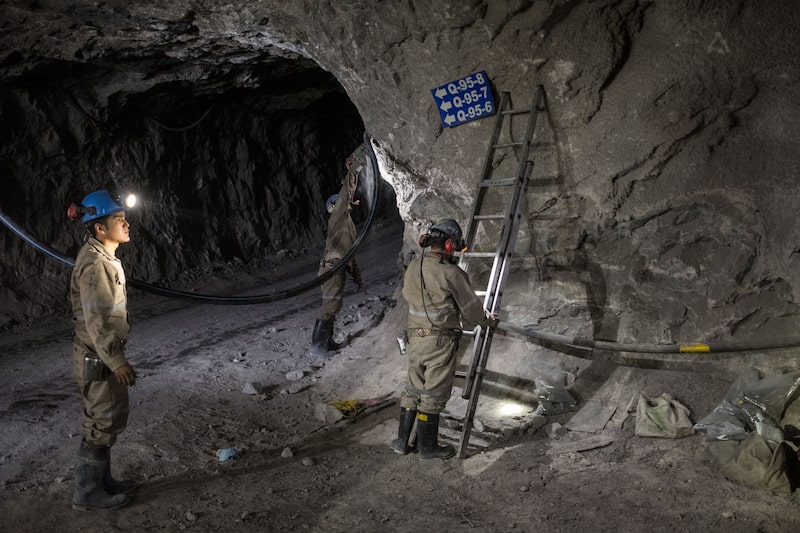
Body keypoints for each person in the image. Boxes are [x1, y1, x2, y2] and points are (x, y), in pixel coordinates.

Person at [392, 219, 499, 459]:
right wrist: (489, 320)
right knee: (432, 394)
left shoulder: (413, 266)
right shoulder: (451, 273)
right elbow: (472, 311)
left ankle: (401, 442)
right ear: (450, 245)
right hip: (438, 342)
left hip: (413, 339)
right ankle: (428, 448)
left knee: (412, 389)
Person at [69, 188, 138, 511]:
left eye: (125, 219)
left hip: (96, 356)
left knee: (103, 418)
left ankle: (102, 482)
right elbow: (97, 323)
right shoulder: (96, 265)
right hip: (97, 357)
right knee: (102, 421)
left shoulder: (102, 257)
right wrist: (117, 361)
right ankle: (87, 494)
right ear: (99, 227)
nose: (126, 225)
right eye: (118, 219)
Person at [309, 146, 367, 357]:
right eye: (344, 203)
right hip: (333, 268)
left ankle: (327, 342)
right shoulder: (337, 217)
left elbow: (350, 255)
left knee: (334, 304)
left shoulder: (346, 224)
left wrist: (358, 279)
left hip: (337, 267)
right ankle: (318, 346)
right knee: (330, 305)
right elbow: (345, 194)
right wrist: (354, 171)